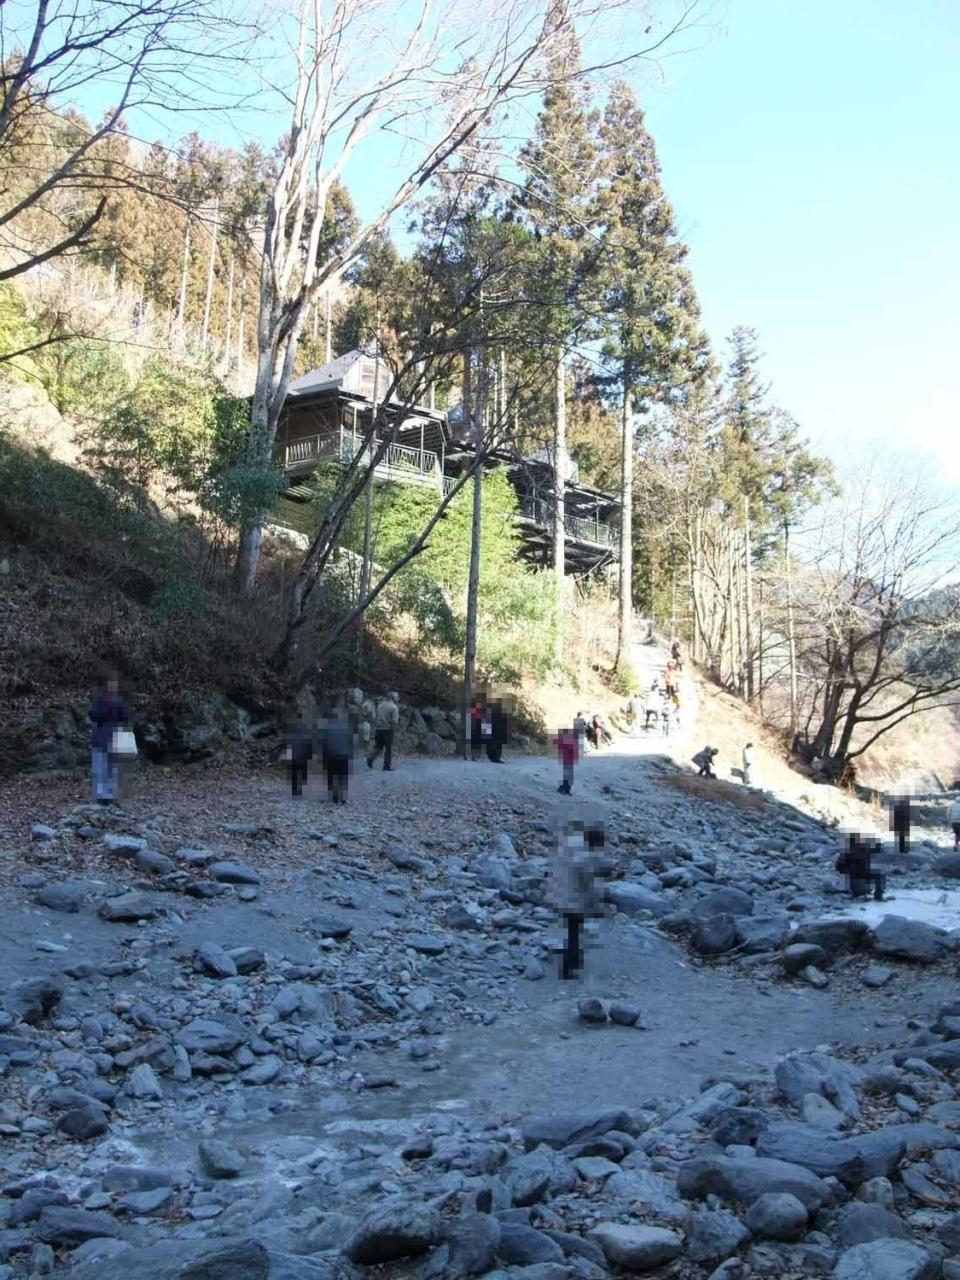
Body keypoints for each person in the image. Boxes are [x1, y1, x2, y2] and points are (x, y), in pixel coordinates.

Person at [547, 822, 605, 979]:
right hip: (571, 898)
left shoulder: (572, 842)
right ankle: (569, 967)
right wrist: (596, 902)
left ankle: (573, 958)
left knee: (570, 928)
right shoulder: (584, 858)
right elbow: (587, 882)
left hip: (558, 890)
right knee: (574, 931)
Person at [89, 668, 128, 806]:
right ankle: (107, 794)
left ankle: (104, 794)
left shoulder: (101, 701)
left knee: (104, 767)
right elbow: (125, 718)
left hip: (103, 736)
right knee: (109, 767)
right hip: (112, 735)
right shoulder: (118, 701)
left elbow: (93, 716)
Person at [836, 833, 885, 901]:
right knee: (878, 875)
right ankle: (860, 892)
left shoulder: (863, 848)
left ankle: (877, 895)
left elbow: (878, 847)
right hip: (854, 874)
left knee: (879, 875)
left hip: (862, 873)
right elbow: (839, 867)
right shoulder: (848, 852)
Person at [319, 708, 353, 804]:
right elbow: (350, 742)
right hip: (343, 755)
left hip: (330, 755)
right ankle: (343, 797)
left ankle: (333, 796)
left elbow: (322, 743)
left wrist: (323, 757)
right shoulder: (347, 727)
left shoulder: (325, 728)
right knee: (343, 776)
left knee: (331, 775)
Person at [283, 711, 314, 797]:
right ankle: (299, 789)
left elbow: (286, 742)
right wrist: (310, 755)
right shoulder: (307, 729)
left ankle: (294, 790)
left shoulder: (291, 729)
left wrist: (287, 755)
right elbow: (309, 743)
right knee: (302, 772)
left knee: (293, 772)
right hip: (302, 756)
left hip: (292, 755)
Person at [367, 691, 400, 771]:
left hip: (379, 729)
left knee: (378, 746)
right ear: (393, 698)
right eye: (397, 697)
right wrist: (393, 729)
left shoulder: (380, 706)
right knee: (388, 749)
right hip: (388, 730)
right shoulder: (394, 708)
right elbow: (394, 721)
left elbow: (375, 717)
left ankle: (370, 758)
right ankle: (386, 766)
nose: (398, 698)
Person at [554, 725, 578, 794]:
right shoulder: (566, 741)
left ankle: (567, 790)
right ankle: (562, 789)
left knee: (569, 776)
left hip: (569, 759)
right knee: (567, 776)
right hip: (567, 759)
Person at [486, 697, 508, 763]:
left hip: (497, 727)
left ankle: (495, 757)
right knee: (493, 742)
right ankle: (494, 757)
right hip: (493, 727)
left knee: (496, 743)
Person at [470, 697, 484, 762]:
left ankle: (475, 755)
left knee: (476, 739)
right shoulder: (474, 708)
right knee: (475, 740)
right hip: (475, 722)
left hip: (476, 722)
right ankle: (474, 756)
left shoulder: (477, 708)